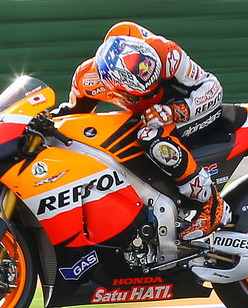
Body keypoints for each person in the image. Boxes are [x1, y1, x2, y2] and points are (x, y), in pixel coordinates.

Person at [57, 21, 231, 242]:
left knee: (149, 136)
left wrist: (174, 111)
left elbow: (212, 88)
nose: (153, 90)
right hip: (150, 118)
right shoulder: (88, 81)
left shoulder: (166, 53)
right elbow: (72, 116)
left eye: (154, 77)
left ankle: (212, 204)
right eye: (141, 92)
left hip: (195, 109)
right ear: (113, 87)